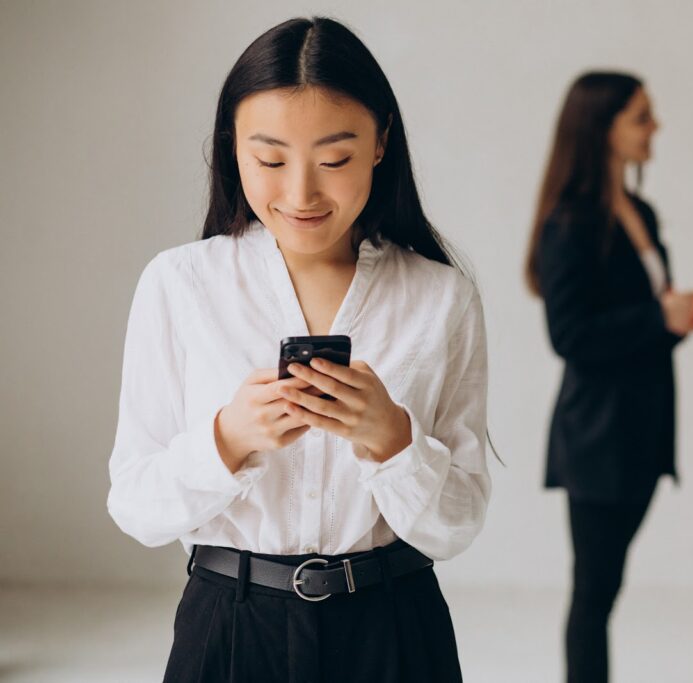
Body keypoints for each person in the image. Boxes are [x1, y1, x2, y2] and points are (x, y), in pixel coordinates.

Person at [107, 16, 489, 682]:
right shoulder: (180, 283)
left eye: (335, 159)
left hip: (395, 630)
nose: (301, 193)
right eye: (271, 159)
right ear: (233, 148)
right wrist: (228, 437)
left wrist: (392, 439)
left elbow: (456, 526)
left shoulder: (441, 297)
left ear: (381, 143)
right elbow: (135, 504)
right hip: (228, 631)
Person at [525, 72, 693, 682]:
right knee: (594, 596)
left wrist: (676, 319)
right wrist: (657, 315)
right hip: (599, 438)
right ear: (601, 129)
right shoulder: (571, 223)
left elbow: (635, 323)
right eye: (641, 116)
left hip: (641, 430)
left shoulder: (640, 212)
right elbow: (570, 336)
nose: (654, 127)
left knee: (604, 590)